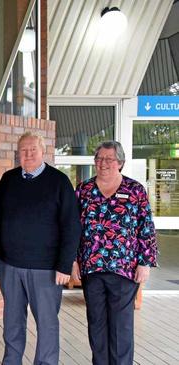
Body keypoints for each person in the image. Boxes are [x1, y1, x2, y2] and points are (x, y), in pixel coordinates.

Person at [0, 132, 80, 365]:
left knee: (47, 323)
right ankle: (11, 361)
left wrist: (64, 265)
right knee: (12, 321)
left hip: (46, 269)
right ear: (17, 153)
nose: (28, 154)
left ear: (43, 152)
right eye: (23, 150)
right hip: (10, 265)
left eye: (33, 149)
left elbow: (71, 227)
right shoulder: (9, 179)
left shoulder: (59, 182)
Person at [72, 140, 157, 365]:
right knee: (96, 326)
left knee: (121, 328)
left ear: (120, 162)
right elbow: (72, 228)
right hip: (92, 268)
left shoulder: (135, 190)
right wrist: (72, 261)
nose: (103, 163)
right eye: (99, 159)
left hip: (124, 270)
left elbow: (146, 227)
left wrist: (145, 262)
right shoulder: (84, 190)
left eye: (109, 159)